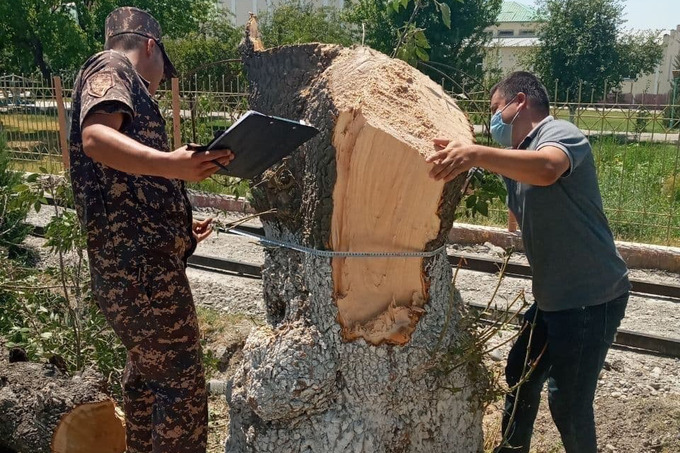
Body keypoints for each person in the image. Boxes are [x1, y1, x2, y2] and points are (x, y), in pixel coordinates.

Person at [426, 71, 630, 453]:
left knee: (567, 403)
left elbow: (548, 169)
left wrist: (475, 154)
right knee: (521, 373)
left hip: (591, 297)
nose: (492, 121)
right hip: (554, 298)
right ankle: (512, 448)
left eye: (495, 109)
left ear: (520, 102)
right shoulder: (518, 156)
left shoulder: (561, 134)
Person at [68, 7, 233, 453]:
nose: (160, 81)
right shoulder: (112, 66)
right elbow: (96, 139)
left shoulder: (124, 81)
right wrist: (173, 163)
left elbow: (125, 189)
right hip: (142, 277)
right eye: (163, 71)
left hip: (134, 274)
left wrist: (181, 228)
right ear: (149, 47)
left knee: (146, 384)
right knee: (181, 389)